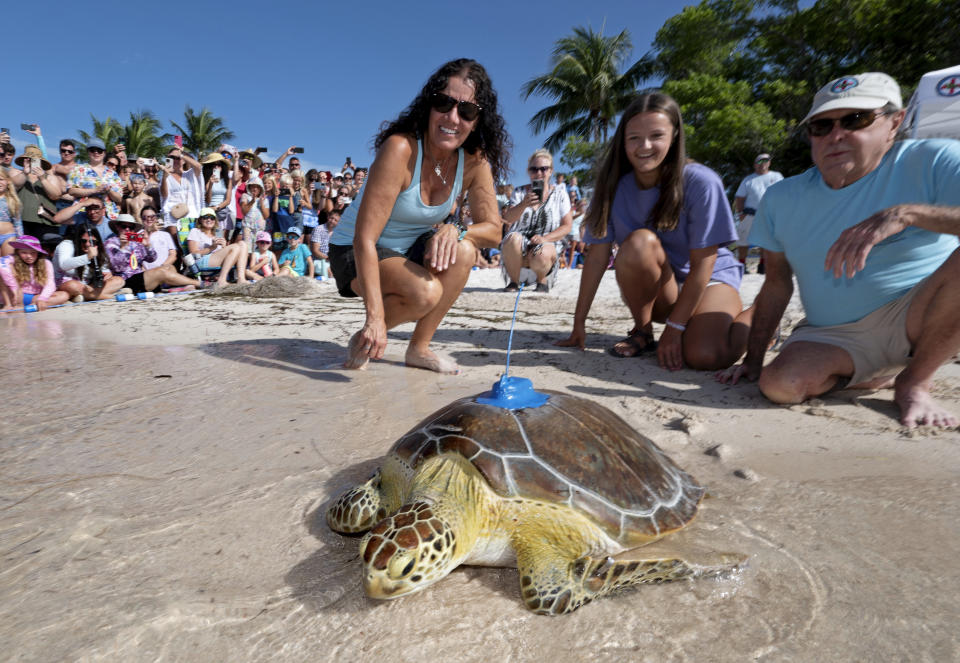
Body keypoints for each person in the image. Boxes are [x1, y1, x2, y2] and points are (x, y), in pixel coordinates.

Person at [718, 72, 960, 429]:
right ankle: (875, 372)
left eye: (856, 120)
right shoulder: (782, 197)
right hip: (833, 333)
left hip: (919, 315)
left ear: (895, 122)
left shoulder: (934, 159)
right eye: (822, 126)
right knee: (780, 386)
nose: (836, 135)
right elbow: (776, 284)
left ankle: (916, 379)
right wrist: (753, 360)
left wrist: (907, 214)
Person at [328, 58, 508, 374]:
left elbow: (493, 231)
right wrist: (375, 317)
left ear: (477, 120)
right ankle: (368, 335)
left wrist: (456, 230)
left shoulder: (474, 164)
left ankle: (418, 348)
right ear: (429, 105)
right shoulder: (401, 149)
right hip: (353, 251)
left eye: (466, 111)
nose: (452, 117)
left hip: (407, 248)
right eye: (443, 103)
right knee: (425, 293)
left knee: (464, 250)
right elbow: (364, 238)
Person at [556, 92, 752, 370]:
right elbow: (598, 257)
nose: (644, 146)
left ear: (674, 137)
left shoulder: (701, 182)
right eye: (634, 137)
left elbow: (703, 266)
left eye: (656, 136)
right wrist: (578, 322)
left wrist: (674, 329)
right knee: (639, 243)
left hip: (709, 280)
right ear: (622, 141)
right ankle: (643, 330)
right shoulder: (612, 185)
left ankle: (757, 318)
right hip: (664, 288)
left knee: (704, 356)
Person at [500, 148, 573, 293]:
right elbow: (507, 219)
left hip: (546, 247)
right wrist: (523, 204)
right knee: (513, 238)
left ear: (551, 171)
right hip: (518, 247)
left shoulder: (560, 193)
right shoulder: (520, 192)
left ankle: (542, 281)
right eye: (534, 169)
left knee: (542, 251)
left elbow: (567, 226)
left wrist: (544, 238)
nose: (538, 173)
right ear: (528, 172)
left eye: (543, 169)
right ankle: (514, 282)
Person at [105, 213, 201, 293]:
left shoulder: (135, 242)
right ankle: (198, 283)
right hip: (125, 280)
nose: (127, 229)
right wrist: (123, 247)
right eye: (124, 226)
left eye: (131, 227)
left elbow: (152, 258)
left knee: (169, 267)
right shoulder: (111, 243)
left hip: (140, 277)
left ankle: (175, 287)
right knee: (161, 271)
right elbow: (117, 266)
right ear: (117, 227)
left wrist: (147, 245)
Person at [52, 224, 125, 301]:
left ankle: (84, 297)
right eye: (83, 241)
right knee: (73, 285)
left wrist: (107, 274)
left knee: (119, 280)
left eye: (92, 241)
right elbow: (64, 265)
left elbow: (104, 270)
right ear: (77, 239)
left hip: (88, 287)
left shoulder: (98, 249)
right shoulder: (66, 245)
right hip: (68, 285)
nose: (87, 244)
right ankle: (110, 296)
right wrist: (87, 257)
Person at [733, 153, 783, 263]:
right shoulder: (748, 180)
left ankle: (762, 265)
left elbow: (783, 194)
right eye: (760, 161)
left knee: (765, 240)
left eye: (765, 160)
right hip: (750, 214)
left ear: (769, 163)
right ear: (755, 165)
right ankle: (742, 264)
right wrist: (740, 213)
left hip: (769, 214)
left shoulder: (777, 176)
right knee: (743, 241)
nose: (763, 163)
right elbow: (740, 197)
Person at [0, 235, 69, 310]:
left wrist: (42, 298)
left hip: (35, 297)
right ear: (18, 252)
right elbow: (1, 263)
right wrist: (14, 287)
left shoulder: (46, 263)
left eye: (33, 252)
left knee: (64, 295)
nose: (29, 256)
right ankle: (9, 305)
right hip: (15, 295)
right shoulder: (12, 259)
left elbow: (50, 284)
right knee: (5, 269)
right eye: (24, 252)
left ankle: (26, 308)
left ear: (38, 252)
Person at [186, 207, 249, 288]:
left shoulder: (217, 233)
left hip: (216, 259)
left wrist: (224, 246)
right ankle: (222, 280)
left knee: (242, 244)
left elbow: (226, 253)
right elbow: (193, 253)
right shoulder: (195, 231)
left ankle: (241, 279)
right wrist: (211, 248)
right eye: (205, 217)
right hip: (201, 260)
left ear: (215, 220)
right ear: (200, 220)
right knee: (236, 247)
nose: (209, 220)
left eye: (212, 218)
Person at [65, 140, 124, 221]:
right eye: (92, 150)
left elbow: (119, 199)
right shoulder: (78, 169)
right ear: (88, 152)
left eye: (99, 151)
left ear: (104, 153)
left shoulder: (113, 174)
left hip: (108, 216)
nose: (96, 153)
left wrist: (109, 191)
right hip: (83, 214)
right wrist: (94, 190)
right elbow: (71, 191)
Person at [15, 145, 64, 238]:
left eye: (35, 160)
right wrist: (25, 172)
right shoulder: (17, 174)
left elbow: (56, 196)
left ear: (41, 162)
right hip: (21, 223)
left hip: (45, 224)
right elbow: (13, 186)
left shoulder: (50, 178)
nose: (32, 162)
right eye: (29, 159)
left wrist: (42, 179)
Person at [159, 146, 204, 231]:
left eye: (178, 158)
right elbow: (164, 195)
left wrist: (182, 154)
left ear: (183, 161)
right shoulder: (166, 177)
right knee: (175, 239)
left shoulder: (190, 174)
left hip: (192, 214)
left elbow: (198, 166)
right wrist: (164, 177)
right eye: (172, 157)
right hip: (172, 215)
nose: (175, 160)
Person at [310, 209, 339, 279]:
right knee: (331, 272)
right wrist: (329, 258)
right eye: (331, 218)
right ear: (328, 217)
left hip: (332, 261)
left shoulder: (338, 232)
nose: (332, 221)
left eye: (335, 220)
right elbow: (315, 251)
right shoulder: (318, 229)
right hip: (318, 260)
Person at [0, 169, 23, 256]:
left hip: (8, 237)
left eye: (1, 179)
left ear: (8, 181)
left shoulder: (13, 200)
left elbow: (18, 224)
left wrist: (21, 241)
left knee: (8, 265)